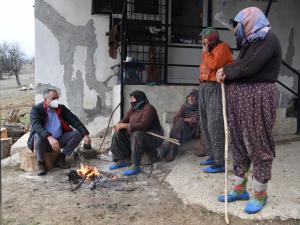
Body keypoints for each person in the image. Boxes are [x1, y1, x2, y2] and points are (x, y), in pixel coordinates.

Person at [216, 7, 282, 214]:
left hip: (258, 96)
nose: (236, 31)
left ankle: (260, 194)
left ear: (250, 23)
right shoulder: (251, 42)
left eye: (238, 26)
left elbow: (249, 67)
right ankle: (239, 188)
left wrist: (226, 70)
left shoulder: (268, 40)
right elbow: (242, 64)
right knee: (238, 141)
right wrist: (227, 74)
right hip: (241, 96)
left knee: (257, 142)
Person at [27, 88, 91, 176]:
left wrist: (85, 134)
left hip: (59, 141)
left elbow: (74, 120)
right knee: (38, 135)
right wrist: (49, 137)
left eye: (57, 98)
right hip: (43, 143)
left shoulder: (61, 108)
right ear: (45, 100)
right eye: (53, 98)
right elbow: (36, 126)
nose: (56, 100)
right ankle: (41, 163)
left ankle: (61, 158)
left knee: (78, 133)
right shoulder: (36, 110)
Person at [198, 27, 233, 173]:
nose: (202, 42)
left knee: (215, 123)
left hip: (216, 87)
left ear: (211, 39)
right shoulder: (209, 50)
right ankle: (212, 155)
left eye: (204, 39)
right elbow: (206, 67)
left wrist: (206, 53)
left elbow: (214, 65)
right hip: (204, 86)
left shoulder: (222, 47)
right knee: (205, 122)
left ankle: (220, 162)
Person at [109, 90, 163, 176]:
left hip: (153, 137)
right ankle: (122, 160)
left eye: (133, 99)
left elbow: (143, 125)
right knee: (118, 133)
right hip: (138, 135)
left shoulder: (149, 108)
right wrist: (118, 125)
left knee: (137, 134)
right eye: (130, 99)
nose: (130, 101)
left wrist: (125, 125)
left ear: (140, 99)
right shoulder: (133, 109)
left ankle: (135, 165)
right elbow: (125, 120)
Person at [165, 89, 200, 161]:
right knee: (179, 123)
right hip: (187, 130)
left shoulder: (201, 107)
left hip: (197, 130)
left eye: (193, 97)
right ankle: (171, 151)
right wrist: (186, 120)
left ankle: (203, 148)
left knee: (203, 124)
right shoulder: (184, 106)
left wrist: (197, 121)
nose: (190, 98)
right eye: (189, 96)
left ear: (197, 99)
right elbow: (176, 118)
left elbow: (205, 119)